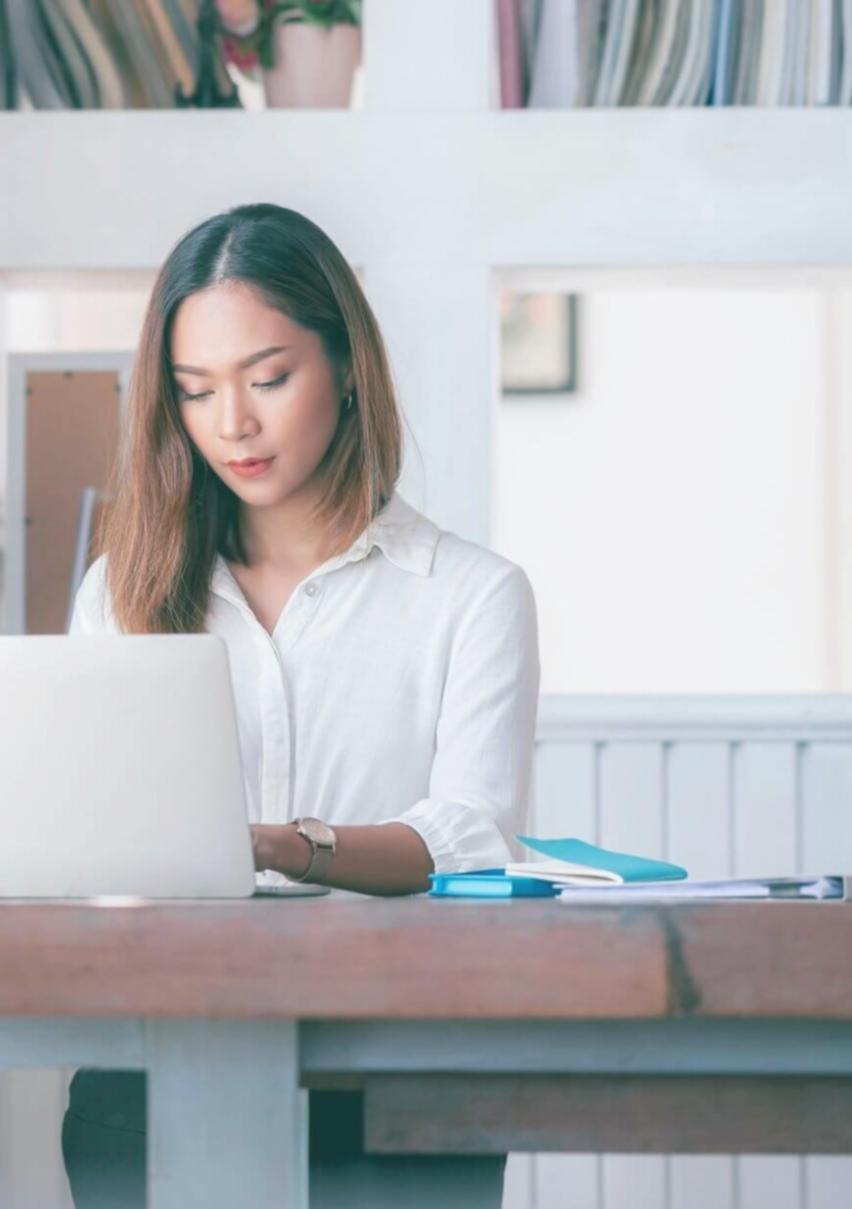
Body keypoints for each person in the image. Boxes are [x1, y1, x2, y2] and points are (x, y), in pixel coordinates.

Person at [59, 203, 539, 1207]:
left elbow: (469, 832)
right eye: (195, 391)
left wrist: (281, 844)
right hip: (159, 1056)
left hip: (399, 1073)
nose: (231, 422)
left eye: (268, 378)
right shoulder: (121, 591)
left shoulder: (469, 596)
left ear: (348, 364)